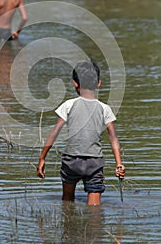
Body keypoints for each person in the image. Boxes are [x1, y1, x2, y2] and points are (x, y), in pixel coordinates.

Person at [37, 60, 125, 206]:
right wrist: (119, 163)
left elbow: (54, 132)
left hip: (71, 160)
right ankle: (94, 227)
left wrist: (42, 158)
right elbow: (113, 137)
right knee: (94, 210)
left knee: (67, 201)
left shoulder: (69, 105)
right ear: (99, 83)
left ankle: (68, 224)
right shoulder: (104, 109)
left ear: (75, 83)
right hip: (94, 162)